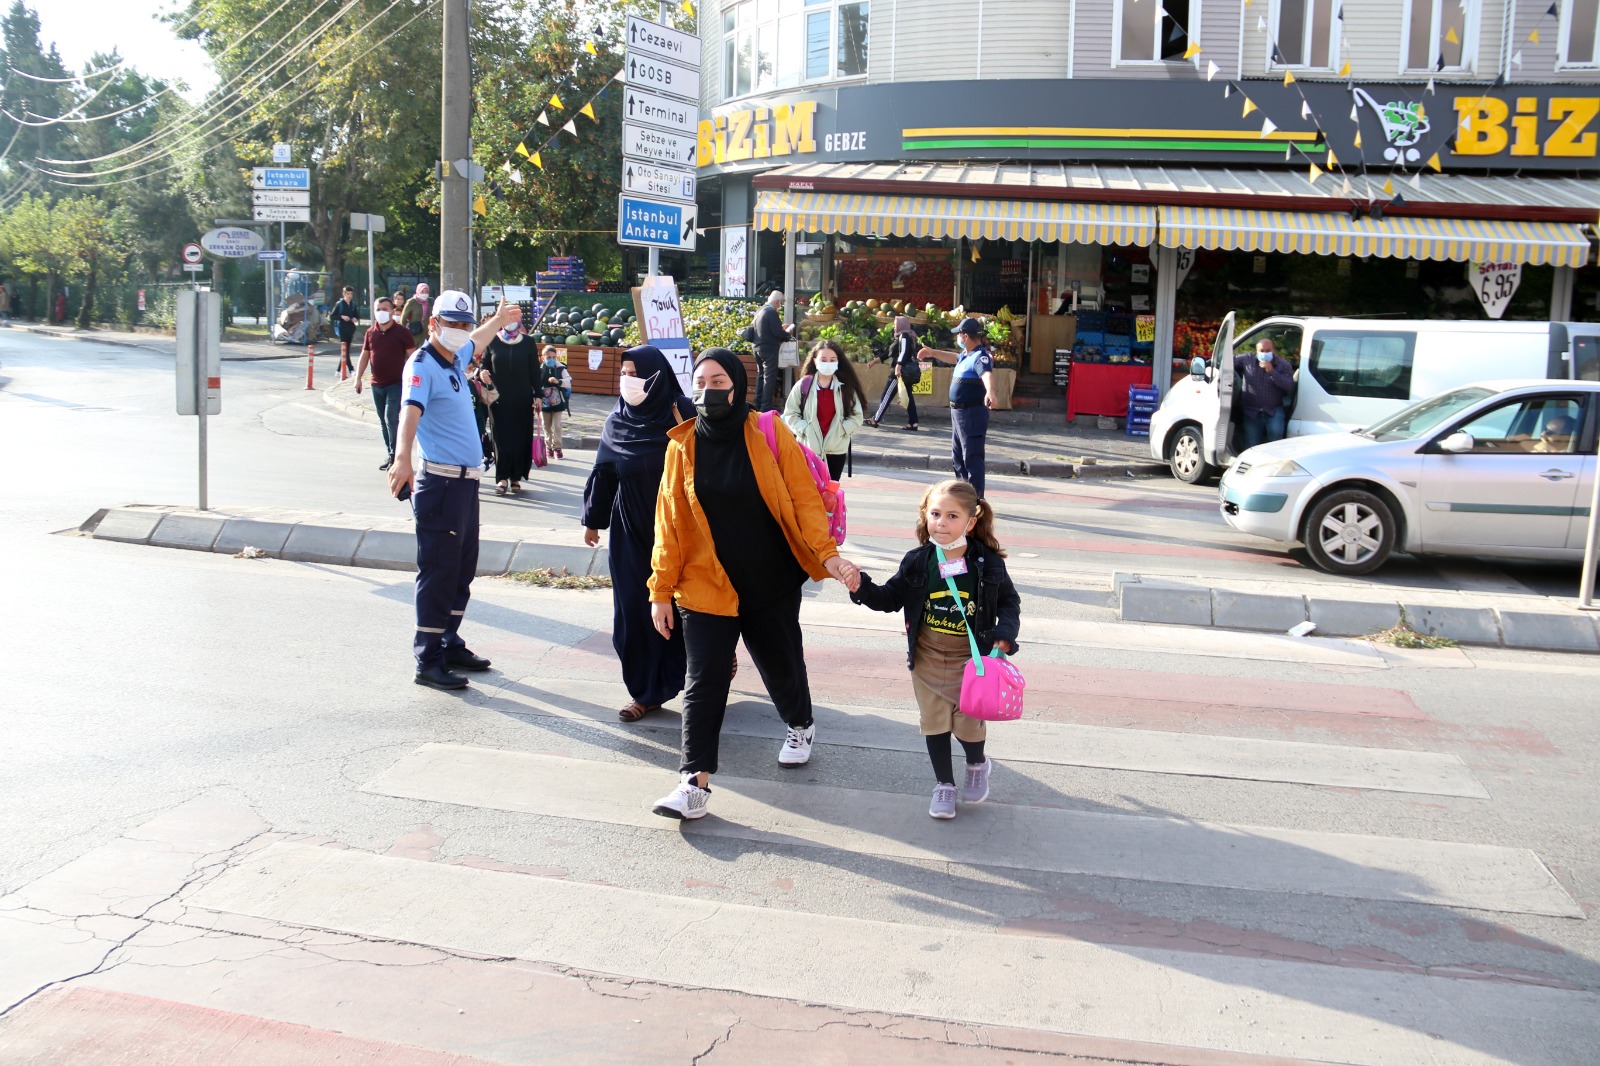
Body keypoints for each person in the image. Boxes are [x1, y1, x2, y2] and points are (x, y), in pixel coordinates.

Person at [648, 348, 863, 820]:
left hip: (769, 579)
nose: (708, 391)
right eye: (700, 382)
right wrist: (660, 590)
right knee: (703, 681)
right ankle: (693, 783)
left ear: (737, 385)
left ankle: (800, 723)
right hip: (705, 585)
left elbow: (804, 500)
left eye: (718, 382)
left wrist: (828, 556)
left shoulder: (767, 432)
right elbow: (669, 523)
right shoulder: (681, 447)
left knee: (780, 664)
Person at [849, 479, 1020, 819]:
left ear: (971, 521)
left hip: (971, 660)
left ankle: (977, 764)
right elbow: (889, 599)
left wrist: (1004, 633)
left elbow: (1008, 602)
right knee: (935, 723)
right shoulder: (918, 561)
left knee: (968, 726)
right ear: (925, 515)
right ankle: (944, 785)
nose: (942, 522)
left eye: (952, 516)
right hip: (927, 658)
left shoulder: (986, 563)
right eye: (936, 514)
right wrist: (861, 587)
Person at [387, 291, 523, 690]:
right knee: (439, 572)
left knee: (462, 569)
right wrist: (402, 458)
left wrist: (497, 321)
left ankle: (448, 642)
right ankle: (428, 659)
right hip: (441, 484)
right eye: (453, 324)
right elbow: (409, 411)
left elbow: (476, 341)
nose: (461, 331)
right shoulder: (422, 364)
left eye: (464, 324)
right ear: (434, 324)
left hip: (465, 484)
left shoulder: (454, 358)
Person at [583, 346, 696, 723]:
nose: (627, 381)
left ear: (656, 375)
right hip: (631, 532)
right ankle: (645, 692)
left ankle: (706, 667)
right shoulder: (617, 420)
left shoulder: (682, 412)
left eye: (635, 373)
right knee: (634, 611)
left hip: (681, 531)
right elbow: (605, 472)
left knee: (687, 608)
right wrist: (593, 521)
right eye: (624, 373)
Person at [920, 317, 997, 498]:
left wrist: (990, 392)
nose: (959, 338)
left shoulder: (980, 357)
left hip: (971, 413)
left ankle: (976, 499)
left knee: (971, 457)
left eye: (960, 335)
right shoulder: (965, 355)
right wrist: (933, 352)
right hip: (959, 413)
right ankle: (963, 496)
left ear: (966, 336)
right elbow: (952, 357)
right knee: (958, 456)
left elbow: (986, 374)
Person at [781, 339, 867, 481]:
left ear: (838, 361)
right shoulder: (803, 385)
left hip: (836, 450)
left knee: (830, 491)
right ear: (815, 361)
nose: (828, 363)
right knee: (807, 491)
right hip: (808, 450)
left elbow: (856, 416)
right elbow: (790, 413)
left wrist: (842, 430)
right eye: (823, 359)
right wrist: (804, 429)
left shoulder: (846, 388)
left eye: (832, 360)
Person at [354, 296, 416, 470]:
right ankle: (390, 453)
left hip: (396, 384)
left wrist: (416, 378)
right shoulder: (370, 332)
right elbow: (365, 355)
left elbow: (413, 356)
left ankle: (396, 456)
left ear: (392, 311)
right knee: (383, 420)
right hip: (377, 384)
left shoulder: (402, 332)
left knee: (391, 418)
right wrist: (358, 378)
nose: (381, 312)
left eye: (385, 309)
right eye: (378, 309)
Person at [482, 318, 537, 495]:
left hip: (523, 400)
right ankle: (502, 478)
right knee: (501, 439)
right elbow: (484, 365)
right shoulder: (492, 340)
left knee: (520, 438)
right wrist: (482, 374)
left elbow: (534, 370)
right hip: (499, 399)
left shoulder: (528, 342)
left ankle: (516, 477)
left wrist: (538, 395)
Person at [1233, 339, 1295, 449]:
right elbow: (1227, 362)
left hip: (1273, 410)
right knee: (1251, 444)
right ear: (1256, 351)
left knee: (1276, 442)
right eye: (1262, 351)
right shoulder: (1247, 359)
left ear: (1273, 350)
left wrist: (1272, 371)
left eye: (1268, 350)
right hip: (1252, 411)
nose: (1265, 353)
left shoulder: (1283, 365)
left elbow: (1288, 385)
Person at [866, 315, 920, 431]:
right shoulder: (901, 337)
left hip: (899, 373)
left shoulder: (904, 336)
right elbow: (887, 353)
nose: (894, 327)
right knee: (908, 398)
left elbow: (904, 352)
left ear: (901, 325)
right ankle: (913, 422)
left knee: (887, 395)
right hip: (905, 372)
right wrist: (874, 361)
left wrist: (898, 366)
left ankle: (875, 419)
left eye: (895, 324)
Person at [749, 290, 794, 412]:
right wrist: (788, 333)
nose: (780, 306)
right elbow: (778, 333)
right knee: (769, 378)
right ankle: (766, 407)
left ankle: (758, 405)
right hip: (768, 349)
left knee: (761, 376)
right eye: (780, 303)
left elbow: (765, 329)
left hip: (757, 348)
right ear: (776, 302)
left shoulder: (760, 310)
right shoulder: (771, 312)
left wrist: (780, 328)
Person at [537, 345, 574, 460]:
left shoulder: (561, 368)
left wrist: (559, 381)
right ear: (543, 358)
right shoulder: (539, 370)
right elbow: (535, 384)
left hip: (558, 402)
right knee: (546, 426)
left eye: (553, 357)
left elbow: (569, 381)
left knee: (557, 425)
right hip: (544, 402)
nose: (551, 359)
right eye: (548, 357)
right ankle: (549, 447)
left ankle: (557, 447)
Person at [329, 286, 360, 374]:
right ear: (344, 294)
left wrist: (355, 318)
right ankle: (351, 369)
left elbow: (357, 315)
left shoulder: (353, 304)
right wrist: (341, 316)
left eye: (351, 294)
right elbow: (332, 316)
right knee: (345, 348)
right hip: (342, 328)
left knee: (346, 349)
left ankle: (338, 370)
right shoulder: (340, 304)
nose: (349, 296)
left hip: (351, 328)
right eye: (348, 294)